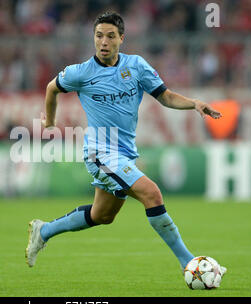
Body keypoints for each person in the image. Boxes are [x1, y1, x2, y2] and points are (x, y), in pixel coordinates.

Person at [25, 11, 227, 277]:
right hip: (99, 152)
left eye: (110, 36)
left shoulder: (136, 66)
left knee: (102, 215)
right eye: (99, 36)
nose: (104, 42)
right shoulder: (81, 72)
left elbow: (165, 96)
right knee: (151, 194)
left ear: (122, 38)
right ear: (93, 39)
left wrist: (194, 104)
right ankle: (189, 263)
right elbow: (52, 88)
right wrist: (50, 122)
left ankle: (45, 230)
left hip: (124, 154)